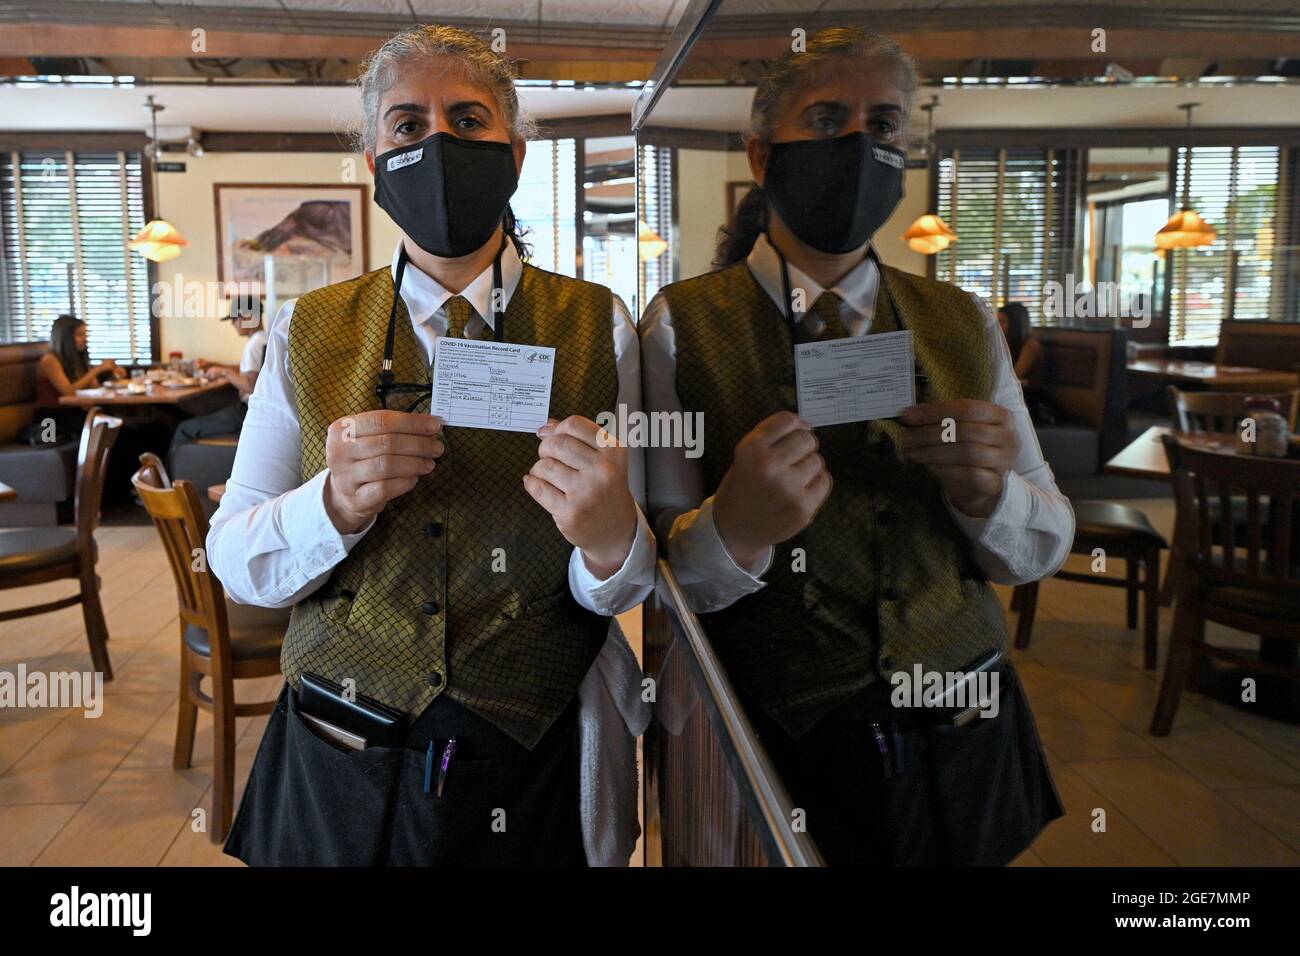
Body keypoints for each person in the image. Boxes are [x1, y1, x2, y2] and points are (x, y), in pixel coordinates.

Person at [206, 24, 654, 866]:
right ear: (375, 166)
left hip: (532, 746)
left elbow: (628, 583)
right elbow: (233, 558)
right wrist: (331, 504)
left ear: (514, 155)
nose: (439, 140)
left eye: (470, 119)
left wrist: (610, 541)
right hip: (342, 743)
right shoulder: (305, 331)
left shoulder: (604, 326)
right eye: (409, 125)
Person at [640, 27, 1074, 866]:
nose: (858, 145)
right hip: (786, 733)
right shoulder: (677, 327)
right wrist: (735, 529)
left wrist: (994, 496)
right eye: (828, 119)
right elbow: (659, 577)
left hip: (964, 714)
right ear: (763, 156)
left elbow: (1044, 544)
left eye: (882, 126)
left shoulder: (964, 323)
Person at [165, 295, 268, 467]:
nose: (232, 324)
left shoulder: (254, 345)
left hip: (245, 413)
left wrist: (223, 371)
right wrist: (216, 365)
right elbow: (249, 370)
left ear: (248, 316)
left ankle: (167, 484)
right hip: (254, 412)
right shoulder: (264, 338)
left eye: (234, 319)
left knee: (183, 428)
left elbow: (251, 385)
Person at [33, 314, 124, 437]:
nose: (85, 339)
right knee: (115, 434)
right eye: (79, 335)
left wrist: (112, 375)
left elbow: (94, 387)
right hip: (52, 420)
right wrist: (98, 369)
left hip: (75, 413)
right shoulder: (50, 360)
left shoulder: (77, 359)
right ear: (65, 338)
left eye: (85, 334)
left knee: (123, 429)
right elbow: (69, 392)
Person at [998, 301, 1043, 384]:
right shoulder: (1003, 341)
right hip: (1008, 389)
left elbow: (1015, 375)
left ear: (1016, 324)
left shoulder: (1031, 345)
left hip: (1027, 392)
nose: (998, 326)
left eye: (1003, 322)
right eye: (998, 321)